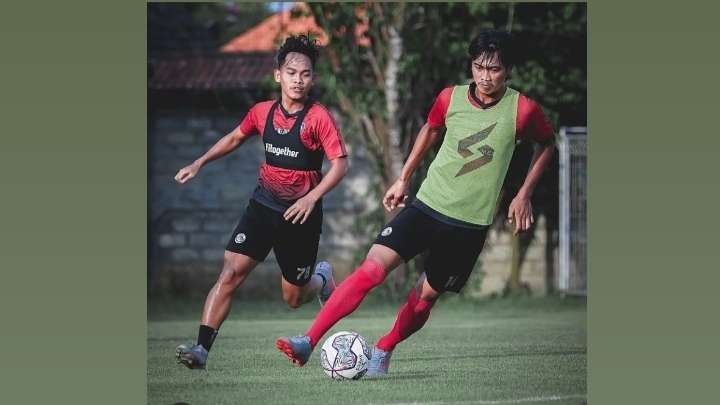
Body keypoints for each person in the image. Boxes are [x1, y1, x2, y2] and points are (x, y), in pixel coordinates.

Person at [276, 30, 555, 376]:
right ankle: (308, 340)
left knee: (425, 297)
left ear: (508, 70)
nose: (485, 76)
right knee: (371, 269)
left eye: (494, 69)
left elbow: (547, 144)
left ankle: (384, 348)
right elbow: (431, 129)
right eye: (479, 67)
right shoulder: (449, 98)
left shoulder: (523, 110)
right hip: (426, 206)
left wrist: (524, 192)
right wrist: (403, 177)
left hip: (468, 225)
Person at [173, 35, 348, 369]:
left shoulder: (318, 118)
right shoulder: (262, 112)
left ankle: (322, 278)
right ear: (278, 75)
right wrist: (199, 162)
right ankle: (201, 349)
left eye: (306, 73)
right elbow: (235, 137)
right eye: (292, 72)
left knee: (294, 298)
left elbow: (341, 163)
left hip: (301, 215)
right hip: (263, 206)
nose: (299, 79)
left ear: (313, 78)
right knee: (230, 273)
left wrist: (312, 197)